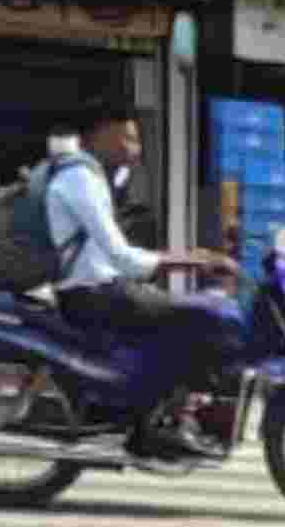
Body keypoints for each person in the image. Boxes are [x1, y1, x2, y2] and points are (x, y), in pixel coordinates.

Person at [39, 104, 243, 448]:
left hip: (100, 288)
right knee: (200, 315)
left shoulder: (89, 175)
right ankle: (154, 426)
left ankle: (153, 412)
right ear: (101, 133)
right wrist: (191, 261)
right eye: (129, 138)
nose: (136, 150)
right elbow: (123, 258)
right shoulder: (80, 179)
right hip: (94, 294)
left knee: (188, 313)